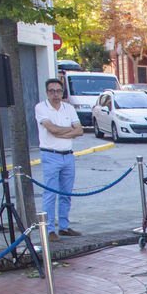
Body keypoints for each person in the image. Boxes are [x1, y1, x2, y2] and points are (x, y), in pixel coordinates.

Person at [35, 78, 84, 241]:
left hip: (67, 155)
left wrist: (61, 131)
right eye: (52, 91)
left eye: (58, 91)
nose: (55, 95)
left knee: (66, 193)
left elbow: (79, 130)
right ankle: (49, 229)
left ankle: (64, 226)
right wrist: (68, 130)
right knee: (50, 193)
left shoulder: (68, 108)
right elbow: (51, 129)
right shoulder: (41, 107)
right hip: (51, 154)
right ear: (47, 92)